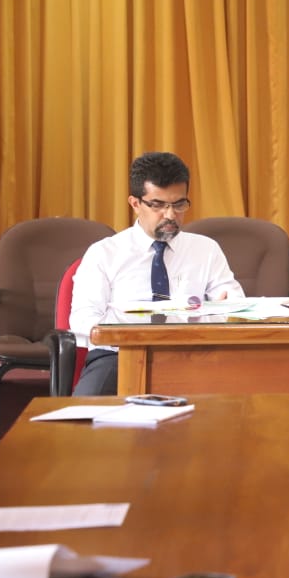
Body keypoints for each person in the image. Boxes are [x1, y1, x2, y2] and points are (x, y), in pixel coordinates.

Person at [70, 152, 243, 396]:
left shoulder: (206, 249)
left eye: (179, 204)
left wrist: (229, 307)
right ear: (135, 203)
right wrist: (129, 337)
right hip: (118, 356)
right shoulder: (104, 253)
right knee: (86, 409)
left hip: (191, 354)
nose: (170, 215)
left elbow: (234, 304)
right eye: (158, 205)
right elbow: (82, 319)